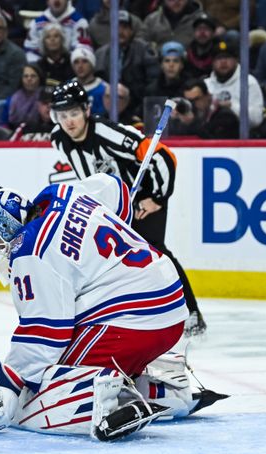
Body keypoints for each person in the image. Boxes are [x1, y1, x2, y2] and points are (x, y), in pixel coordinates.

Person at [0, 172, 226, 440]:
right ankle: (167, 388)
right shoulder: (64, 194)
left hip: (132, 321)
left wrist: (11, 381)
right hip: (169, 302)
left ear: (7, 225)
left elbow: (46, 331)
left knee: (39, 391)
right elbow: (117, 191)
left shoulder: (30, 250)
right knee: (55, 362)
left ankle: (108, 401)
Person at [49, 80, 206, 336]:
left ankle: (190, 313)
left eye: (74, 113)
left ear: (87, 110)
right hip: (112, 208)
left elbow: (163, 156)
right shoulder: (59, 138)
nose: (69, 121)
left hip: (143, 200)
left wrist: (157, 198)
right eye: (62, 115)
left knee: (156, 254)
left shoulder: (106, 133)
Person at [94, 10, 159, 117]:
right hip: (108, 108)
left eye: (124, 27)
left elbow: (153, 81)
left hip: (137, 107)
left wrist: (142, 107)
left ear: (131, 31)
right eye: (116, 27)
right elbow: (97, 83)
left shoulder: (143, 50)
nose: (120, 32)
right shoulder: (100, 54)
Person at [205, 36, 265, 130]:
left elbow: (257, 119)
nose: (223, 62)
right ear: (212, 63)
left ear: (236, 60)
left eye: (227, 57)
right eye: (219, 58)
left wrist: (232, 106)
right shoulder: (206, 85)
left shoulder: (249, 82)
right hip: (209, 137)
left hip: (242, 139)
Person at [0, 11, 26, 122]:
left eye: (0, 28)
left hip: (4, 102)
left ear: (6, 32)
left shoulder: (16, 54)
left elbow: (14, 86)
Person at [24, 0, 92, 62]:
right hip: (42, 69)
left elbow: (82, 52)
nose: (57, 1)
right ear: (47, 1)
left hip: (71, 69)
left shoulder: (79, 22)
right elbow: (30, 51)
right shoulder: (36, 24)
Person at [140, 0, 206, 48]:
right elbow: (141, 44)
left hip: (191, 64)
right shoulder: (152, 20)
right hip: (157, 63)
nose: (176, 1)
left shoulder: (202, 20)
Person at [3, 64, 44, 130]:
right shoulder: (13, 99)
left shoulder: (46, 97)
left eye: (33, 76)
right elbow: (4, 124)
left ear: (39, 78)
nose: (29, 79)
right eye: (25, 76)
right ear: (21, 79)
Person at [34, 23, 74, 88]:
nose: (52, 39)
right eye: (48, 37)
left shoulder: (72, 62)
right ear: (43, 42)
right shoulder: (39, 66)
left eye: (56, 36)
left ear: (62, 40)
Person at [70, 45, 106, 115]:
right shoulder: (67, 88)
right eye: (76, 62)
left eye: (85, 61)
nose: (80, 66)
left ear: (92, 64)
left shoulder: (104, 88)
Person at [185, 13, 217, 79]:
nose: (202, 33)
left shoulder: (220, 51)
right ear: (194, 32)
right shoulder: (187, 52)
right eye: (199, 29)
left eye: (206, 29)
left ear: (213, 33)